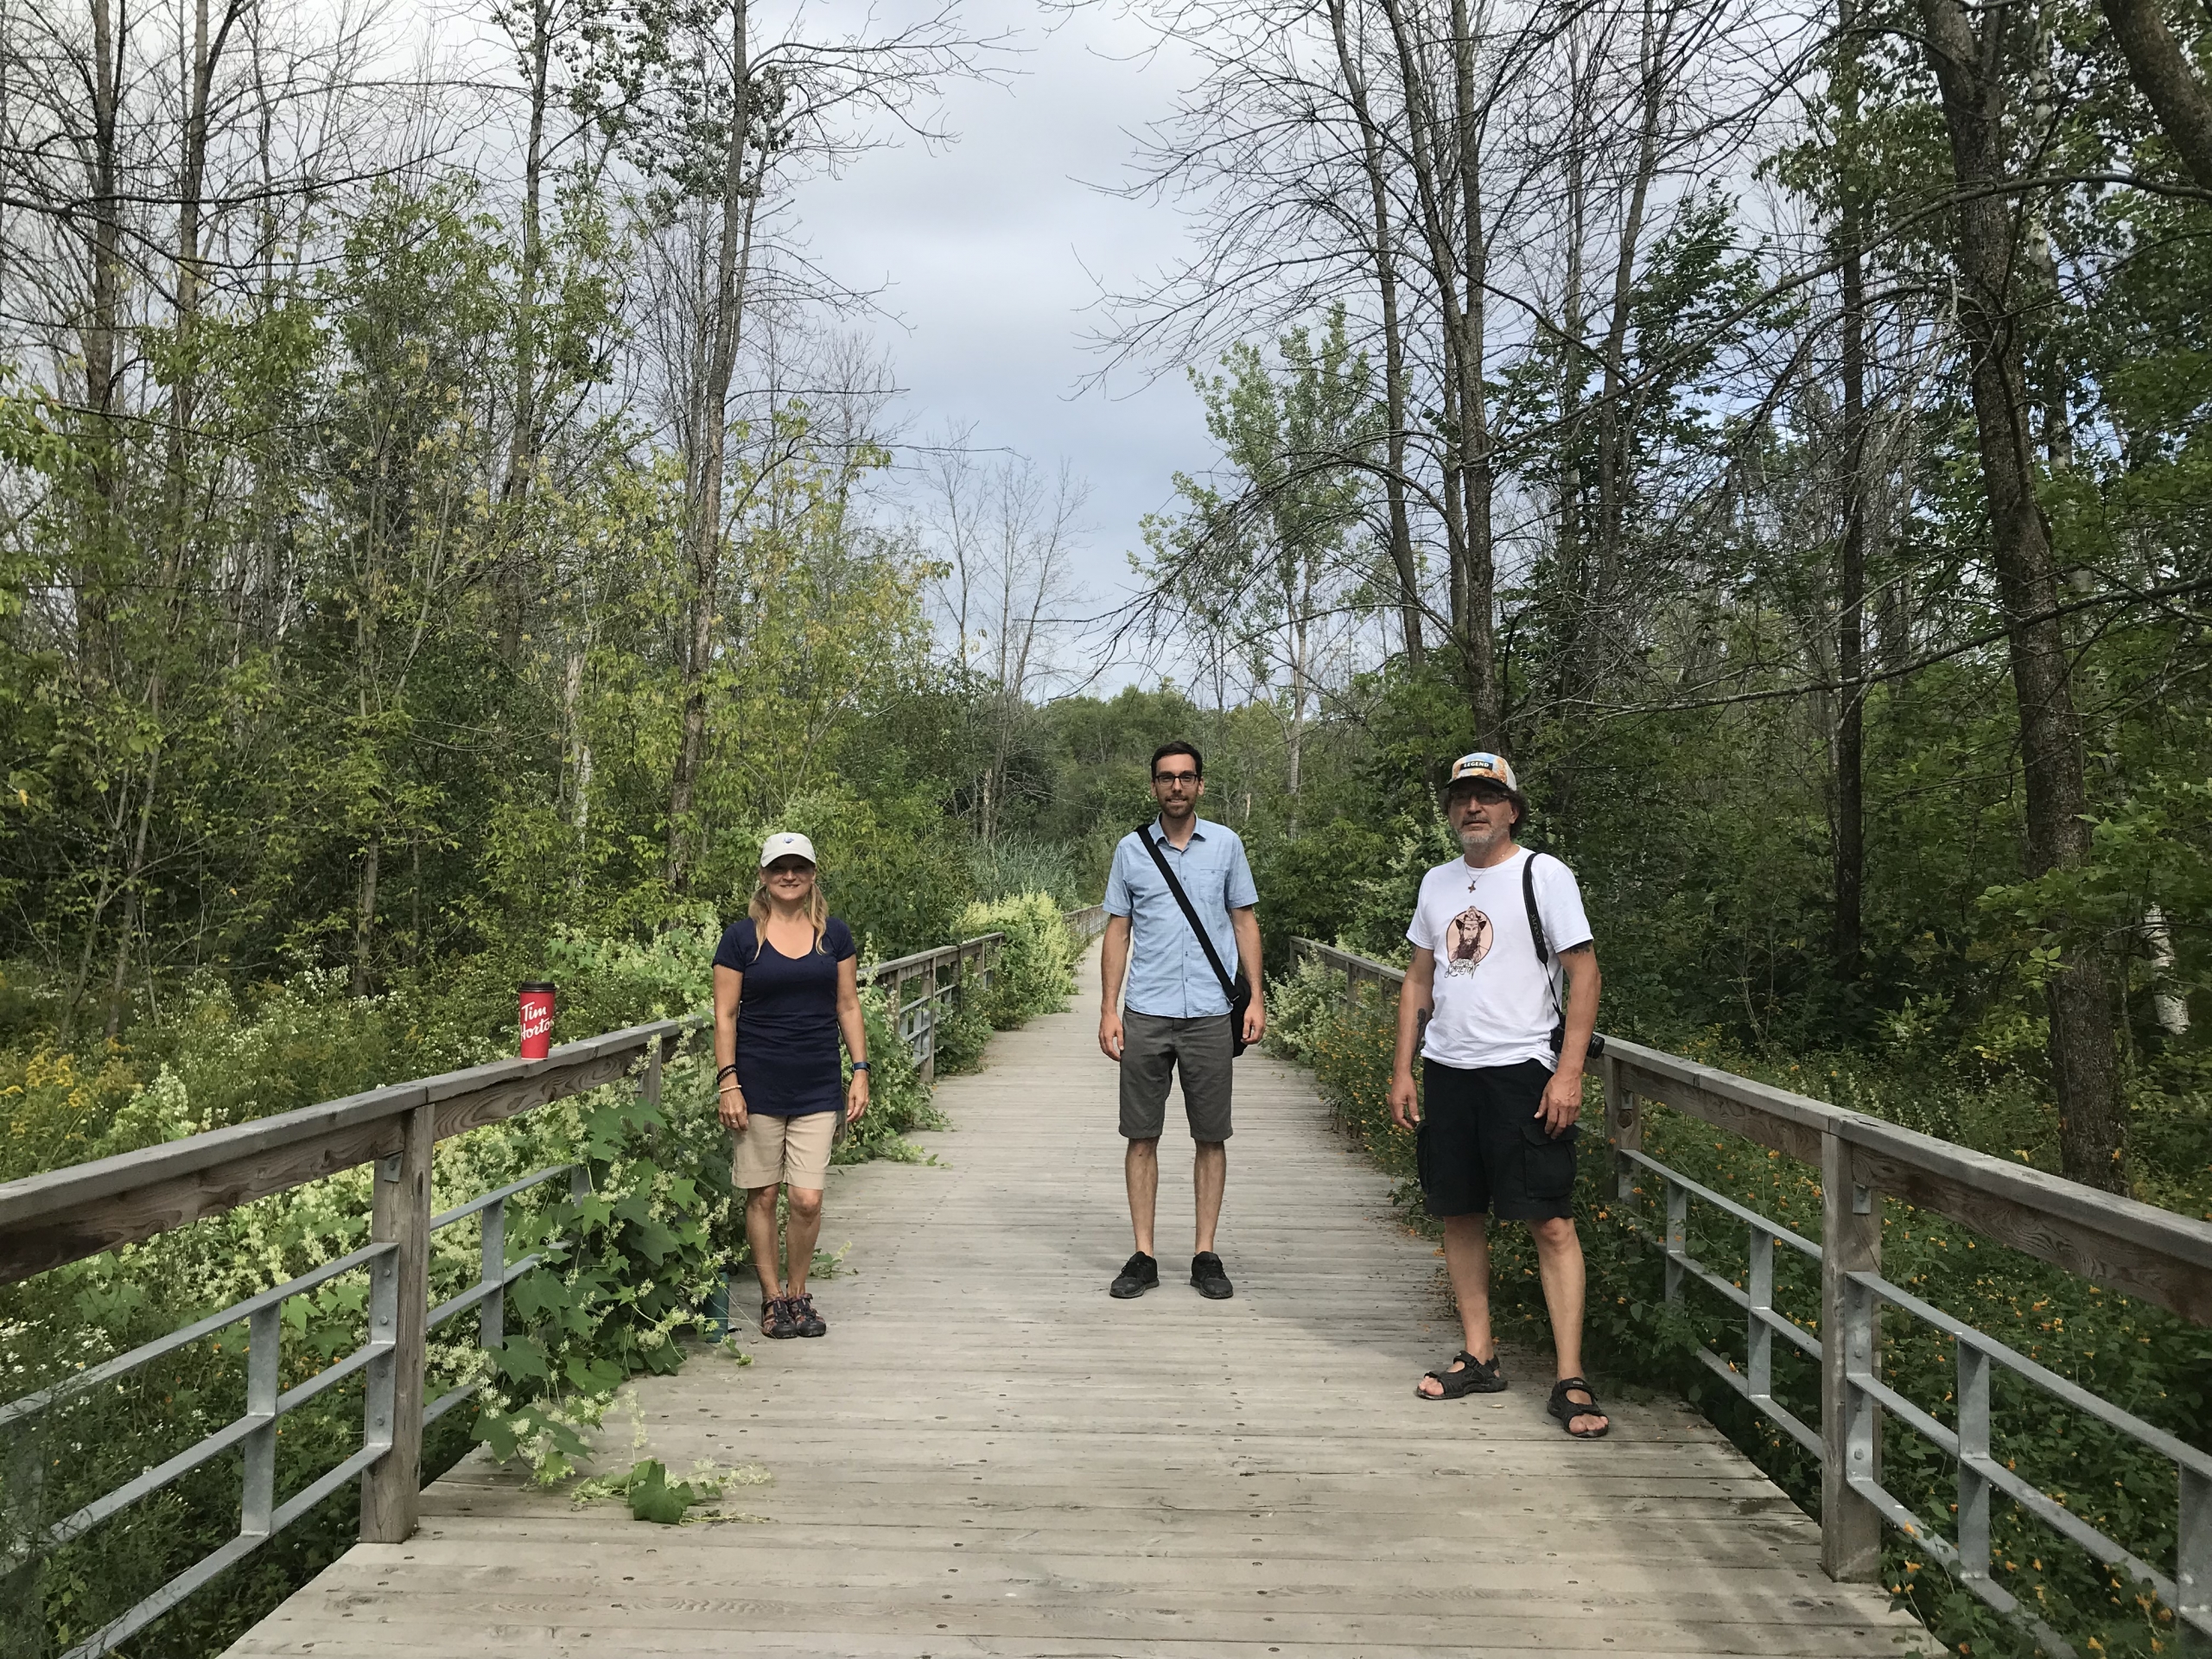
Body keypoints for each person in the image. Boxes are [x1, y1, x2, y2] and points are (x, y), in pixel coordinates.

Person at [1388, 753, 1610, 1439]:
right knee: (1458, 1212)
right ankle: (1479, 1354)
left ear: (1513, 808)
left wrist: (1567, 1072)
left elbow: (1585, 974)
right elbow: (1418, 979)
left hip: (1523, 1069)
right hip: (1448, 1068)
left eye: (1488, 795)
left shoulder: (1544, 874)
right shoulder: (1436, 883)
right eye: (1462, 797)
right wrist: (1403, 1068)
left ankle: (1570, 1378)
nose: (1473, 807)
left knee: (1549, 1220)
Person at [1097, 741, 1265, 1301]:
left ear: (1199, 785)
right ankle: (1143, 1254)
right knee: (1141, 1135)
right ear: (1154, 787)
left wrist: (1257, 998)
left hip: (1211, 1015)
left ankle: (1204, 1253)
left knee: (1210, 1136)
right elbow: (1117, 931)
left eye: (1186, 777)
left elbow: (1244, 921)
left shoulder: (1226, 846)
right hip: (1147, 1009)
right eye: (1166, 778)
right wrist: (1107, 1009)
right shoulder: (1131, 851)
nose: (1176, 786)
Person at [713, 832, 869, 1340]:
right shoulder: (740, 939)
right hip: (756, 1084)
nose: (788, 875)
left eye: (798, 867)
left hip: (817, 1084)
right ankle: (772, 1298)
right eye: (778, 867)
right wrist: (727, 1080)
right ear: (763, 876)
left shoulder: (834, 936)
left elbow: (848, 1005)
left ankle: (799, 1292)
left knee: (805, 1199)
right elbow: (725, 1014)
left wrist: (861, 1069)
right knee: (762, 1194)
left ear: (812, 874)